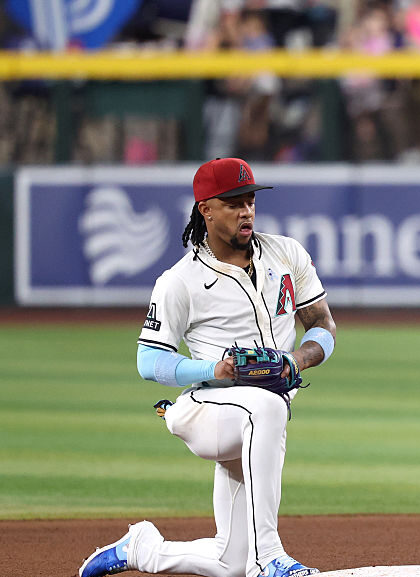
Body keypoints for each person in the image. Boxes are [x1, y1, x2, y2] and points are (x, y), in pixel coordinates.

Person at [78, 157, 336, 577]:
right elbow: (148, 360)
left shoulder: (286, 254)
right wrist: (211, 370)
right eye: (234, 202)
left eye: (250, 200)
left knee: (230, 564)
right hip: (207, 409)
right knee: (265, 408)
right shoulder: (181, 280)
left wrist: (297, 360)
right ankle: (270, 555)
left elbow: (323, 324)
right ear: (206, 210)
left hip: (254, 421)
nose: (246, 210)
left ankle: (141, 549)